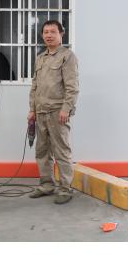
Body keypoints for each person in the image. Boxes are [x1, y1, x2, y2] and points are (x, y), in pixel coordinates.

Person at [28, 20, 79, 204]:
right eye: (46, 32)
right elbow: (34, 86)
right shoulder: (40, 58)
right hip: (41, 112)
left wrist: (66, 109)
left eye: (53, 32)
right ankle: (46, 185)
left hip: (58, 113)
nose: (49, 35)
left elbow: (72, 87)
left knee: (61, 151)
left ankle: (65, 189)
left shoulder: (67, 56)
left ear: (61, 34)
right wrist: (32, 109)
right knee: (42, 151)